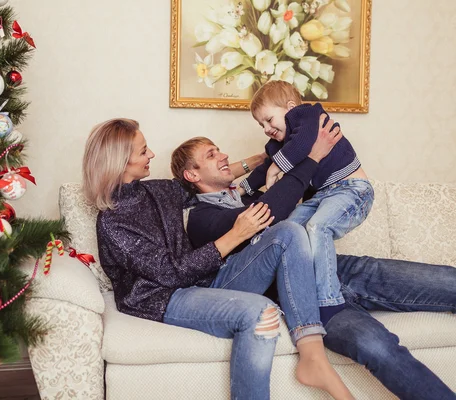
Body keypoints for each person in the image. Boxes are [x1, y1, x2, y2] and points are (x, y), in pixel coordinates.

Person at [82, 118, 354, 400]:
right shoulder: (113, 222)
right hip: (162, 298)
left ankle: (313, 356)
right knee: (260, 313)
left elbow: (202, 179)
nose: (151, 154)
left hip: (205, 281)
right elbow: (171, 275)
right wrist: (236, 234)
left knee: (288, 231)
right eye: (143, 151)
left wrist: (261, 159)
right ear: (120, 162)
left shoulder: (155, 190)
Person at [173, 134, 456, 400]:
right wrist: (312, 156)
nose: (223, 155)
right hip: (307, 298)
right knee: (380, 349)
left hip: (339, 268)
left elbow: (309, 194)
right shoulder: (201, 218)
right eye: (212, 154)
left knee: (447, 283)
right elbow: (273, 211)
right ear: (192, 175)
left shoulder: (250, 195)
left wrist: (280, 154)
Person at [244, 80, 373, 322]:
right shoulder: (279, 145)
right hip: (322, 195)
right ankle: (291, 293)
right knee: (288, 230)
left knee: (317, 227)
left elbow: (302, 145)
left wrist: (276, 167)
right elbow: (264, 168)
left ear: (290, 107)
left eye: (269, 120)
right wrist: (244, 187)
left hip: (352, 190)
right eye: (261, 124)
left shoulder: (307, 115)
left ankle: (329, 303)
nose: (266, 128)